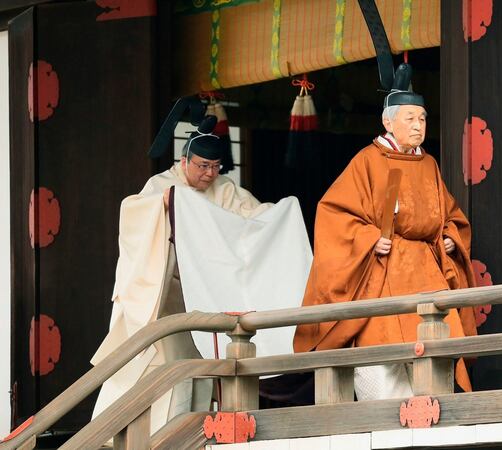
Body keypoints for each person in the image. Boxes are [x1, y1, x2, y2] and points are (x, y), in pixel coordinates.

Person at [90, 115, 301, 434]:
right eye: (202, 165)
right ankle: (132, 433)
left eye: (215, 166)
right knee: (160, 367)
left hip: (204, 294)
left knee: (202, 367)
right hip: (168, 297)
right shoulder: (162, 186)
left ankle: (191, 432)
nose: (209, 173)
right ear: (184, 160)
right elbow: (133, 213)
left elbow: (251, 221)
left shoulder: (225, 189)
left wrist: (278, 214)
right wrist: (166, 205)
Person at [293, 65, 478, 400]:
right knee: (383, 374)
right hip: (383, 272)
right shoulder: (368, 161)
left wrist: (449, 234)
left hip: (425, 271)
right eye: (410, 118)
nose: (418, 126)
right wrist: (367, 238)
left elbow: (451, 214)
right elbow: (334, 214)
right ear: (388, 121)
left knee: (435, 376)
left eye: (422, 119)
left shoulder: (428, 164)